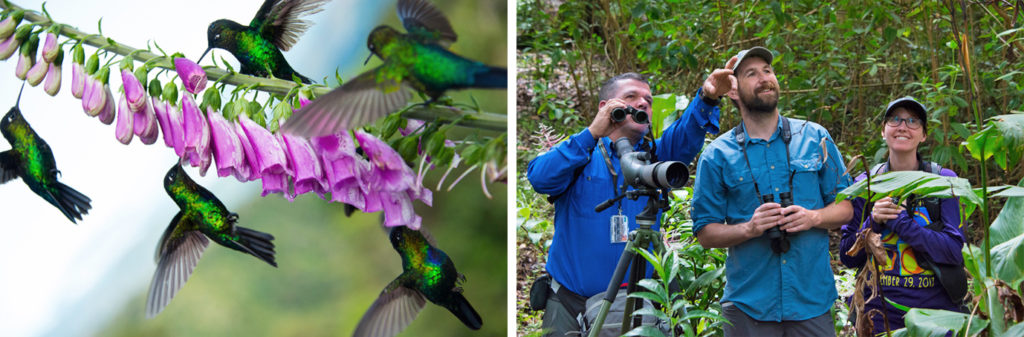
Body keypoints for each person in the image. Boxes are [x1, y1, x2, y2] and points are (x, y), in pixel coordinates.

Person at [527, 69, 730, 336]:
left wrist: (708, 96)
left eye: (648, 99)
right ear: (605, 107)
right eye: (631, 96)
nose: (643, 102)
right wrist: (592, 133)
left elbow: (687, 131)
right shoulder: (579, 153)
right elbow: (541, 178)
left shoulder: (656, 155)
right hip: (570, 304)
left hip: (637, 307)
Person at [689, 47, 853, 337]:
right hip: (748, 305)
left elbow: (847, 207)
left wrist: (813, 217)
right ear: (733, 91)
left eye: (767, 70)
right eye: (751, 73)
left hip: (811, 300)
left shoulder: (815, 137)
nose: (764, 78)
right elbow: (705, 232)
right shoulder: (717, 155)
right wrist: (749, 229)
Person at [839, 97, 966, 335]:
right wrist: (872, 223)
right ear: (883, 131)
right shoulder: (863, 184)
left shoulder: (944, 181)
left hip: (936, 317)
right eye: (895, 119)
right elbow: (847, 256)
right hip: (877, 314)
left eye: (912, 121)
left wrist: (901, 223)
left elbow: (954, 251)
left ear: (924, 135)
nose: (903, 126)